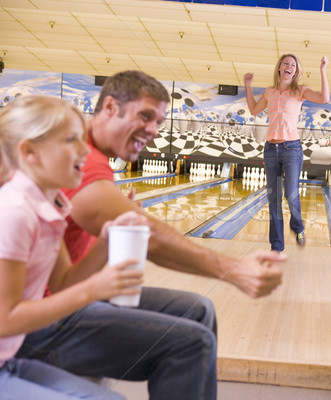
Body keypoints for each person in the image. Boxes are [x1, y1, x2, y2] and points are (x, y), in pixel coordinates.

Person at [15, 71, 286, 400]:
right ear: (111, 107)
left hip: (66, 293)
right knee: (189, 343)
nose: (154, 131)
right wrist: (232, 268)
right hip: (41, 322)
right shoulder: (70, 168)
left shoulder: (75, 168)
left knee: (198, 310)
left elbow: (66, 276)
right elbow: (152, 237)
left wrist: (108, 241)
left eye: (159, 122)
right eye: (145, 116)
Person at [0, 95, 149, 399]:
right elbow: (5, 319)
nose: (85, 149)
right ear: (30, 152)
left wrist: (105, 244)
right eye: (71, 140)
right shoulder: (15, 212)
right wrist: (94, 290)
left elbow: (64, 283)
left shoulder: (49, 205)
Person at [245, 54, 330, 252]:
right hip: (270, 150)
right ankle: (276, 246)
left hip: (291, 149)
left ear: (296, 71)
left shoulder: (300, 91)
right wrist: (248, 86)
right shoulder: (269, 92)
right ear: (280, 68)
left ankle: (298, 226)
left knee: (291, 194)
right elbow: (253, 110)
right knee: (273, 198)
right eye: (286, 63)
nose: (289, 66)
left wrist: (323, 70)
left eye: (293, 65)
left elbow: (324, 98)